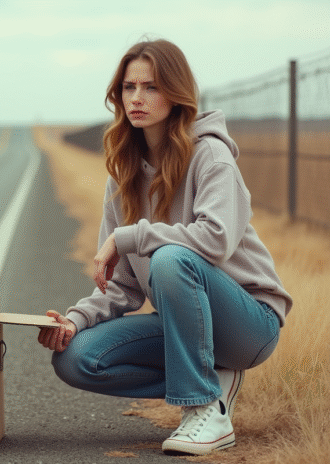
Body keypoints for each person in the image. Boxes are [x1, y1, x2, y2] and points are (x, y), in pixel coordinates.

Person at [38, 39, 292, 456]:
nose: (137, 98)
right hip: (186, 322)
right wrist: (74, 321)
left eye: (151, 87)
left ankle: (205, 409)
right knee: (75, 359)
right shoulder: (122, 175)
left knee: (171, 258)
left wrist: (130, 237)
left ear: (176, 94)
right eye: (128, 87)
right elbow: (122, 288)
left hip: (248, 322)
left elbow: (215, 239)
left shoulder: (211, 156)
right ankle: (211, 378)